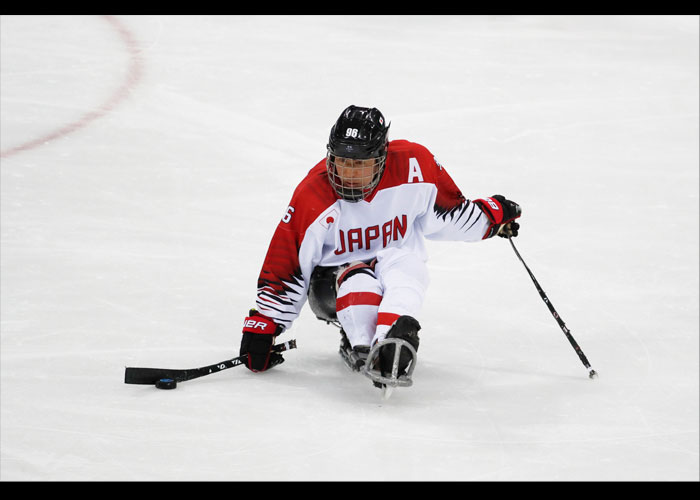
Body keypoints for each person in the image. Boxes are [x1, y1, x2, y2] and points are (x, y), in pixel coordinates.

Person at [239, 105, 521, 390]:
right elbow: (288, 261)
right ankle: (363, 344)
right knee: (358, 277)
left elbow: (447, 213)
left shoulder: (415, 165)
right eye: (341, 162)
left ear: (381, 158)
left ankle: (391, 341)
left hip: (392, 261)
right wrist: (265, 324)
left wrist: (490, 219)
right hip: (332, 282)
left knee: (409, 267)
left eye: (359, 165)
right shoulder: (312, 194)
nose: (348, 174)